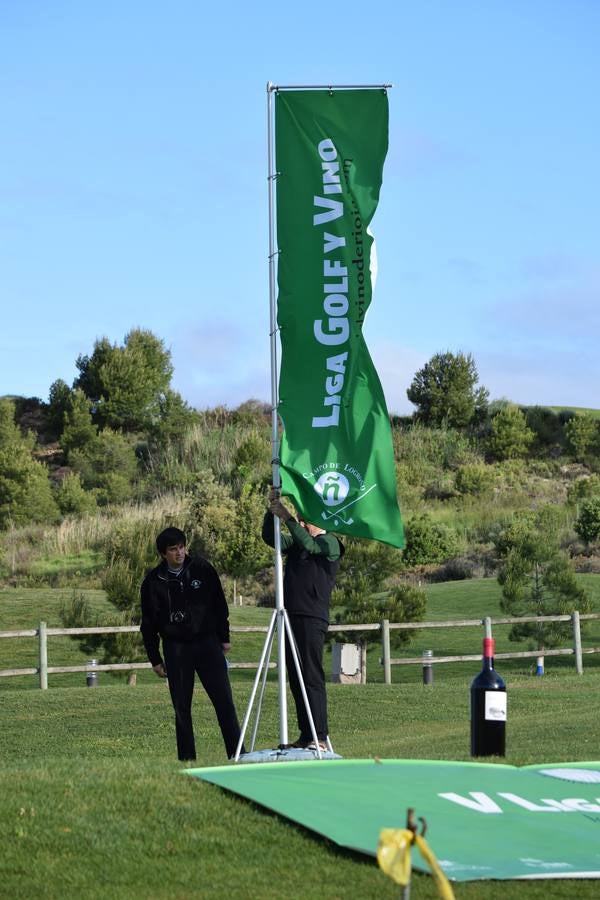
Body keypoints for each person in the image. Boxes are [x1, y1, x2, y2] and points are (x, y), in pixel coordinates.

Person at [140, 526, 244, 762]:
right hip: (176, 648)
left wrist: (224, 637)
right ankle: (187, 759)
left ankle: (238, 754)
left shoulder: (202, 568)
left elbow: (219, 604)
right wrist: (154, 658)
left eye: (182, 547)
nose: (179, 553)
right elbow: (148, 623)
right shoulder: (153, 582)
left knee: (224, 702)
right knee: (181, 707)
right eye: (173, 549)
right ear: (163, 554)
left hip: (207, 644)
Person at [262, 489, 344, 751]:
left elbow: (311, 546)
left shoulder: (331, 542)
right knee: (295, 678)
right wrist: (271, 510)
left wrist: (286, 517)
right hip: (289, 615)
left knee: (311, 676)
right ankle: (306, 734)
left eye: (302, 519)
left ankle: (319, 735)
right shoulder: (299, 541)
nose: (299, 522)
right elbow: (270, 538)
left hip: (312, 616)